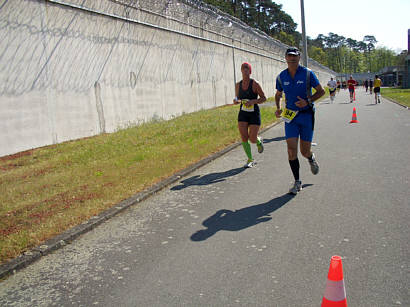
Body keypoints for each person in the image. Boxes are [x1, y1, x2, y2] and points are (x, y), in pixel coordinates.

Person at [274, 47, 325, 195]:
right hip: (290, 117)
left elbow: (321, 91)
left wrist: (308, 101)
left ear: (299, 58)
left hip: (306, 115)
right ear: (285, 58)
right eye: (289, 56)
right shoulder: (281, 76)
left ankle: (310, 157)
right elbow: (278, 94)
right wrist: (278, 108)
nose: (292, 59)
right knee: (291, 150)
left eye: (295, 56)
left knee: (304, 151)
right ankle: (297, 182)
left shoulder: (308, 74)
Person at [233, 62, 266, 168]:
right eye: (243, 68)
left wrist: (252, 102)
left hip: (253, 114)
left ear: (250, 71)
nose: (245, 70)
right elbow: (238, 98)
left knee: (252, 138)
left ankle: (258, 141)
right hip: (243, 113)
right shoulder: (238, 85)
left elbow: (263, 98)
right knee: (243, 136)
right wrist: (236, 101)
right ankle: (250, 159)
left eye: (247, 68)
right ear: (241, 71)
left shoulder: (255, 84)